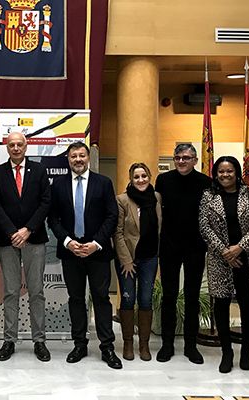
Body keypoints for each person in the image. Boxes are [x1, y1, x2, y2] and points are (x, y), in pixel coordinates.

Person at [47, 142, 122, 369]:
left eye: (81, 155)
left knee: (101, 298)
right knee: (76, 299)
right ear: (68, 159)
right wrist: (68, 242)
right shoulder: (58, 185)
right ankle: (79, 344)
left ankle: (107, 347)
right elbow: (53, 219)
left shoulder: (103, 183)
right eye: (73, 156)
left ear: (88, 158)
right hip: (71, 253)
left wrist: (96, 243)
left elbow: (112, 216)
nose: (77, 160)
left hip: (97, 252)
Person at [0, 132, 52, 362]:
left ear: (26, 146)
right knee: (11, 292)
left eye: (19, 144)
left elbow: (46, 201)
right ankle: (9, 340)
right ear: (7, 148)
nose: (16, 148)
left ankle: (39, 341)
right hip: (7, 240)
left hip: (34, 238)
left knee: (36, 292)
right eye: (12, 145)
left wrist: (27, 230)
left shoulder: (39, 170)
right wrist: (12, 232)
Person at [198, 156, 249, 373]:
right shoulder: (209, 196)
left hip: (245, 257)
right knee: (221, 303)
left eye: (229, 171)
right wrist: (225, 251)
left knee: (247, 302)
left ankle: (246, 350)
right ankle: (227, 352)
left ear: (237, 173)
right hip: (219, 258)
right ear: (216, 174)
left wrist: (240, 247)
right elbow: (204, 226)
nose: (225, 175)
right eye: (221, 172)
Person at [155, 143, 211, 364]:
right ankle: (167, 344)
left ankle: (190, 345)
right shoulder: (163, 180)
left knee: (192, 297)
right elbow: (157, 212)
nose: (181, 161)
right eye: (177, 157)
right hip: (169, 245)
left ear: (195, 160)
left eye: (186, 158)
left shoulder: (206, 183)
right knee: (168, 297)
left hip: (195, 246)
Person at [113, 162, 161, 362]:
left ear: (149, 177)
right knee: (127, 298)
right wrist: (126, 261)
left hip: (150, 257)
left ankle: (144, 345)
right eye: (136, 177)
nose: (140, 180)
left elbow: (159, 227)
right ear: (130, 179)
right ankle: (127, 344)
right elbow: (118, 232)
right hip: (128, 259)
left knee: (145, 299)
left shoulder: (156, 197)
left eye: (144, 176)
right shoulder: (122, 200)